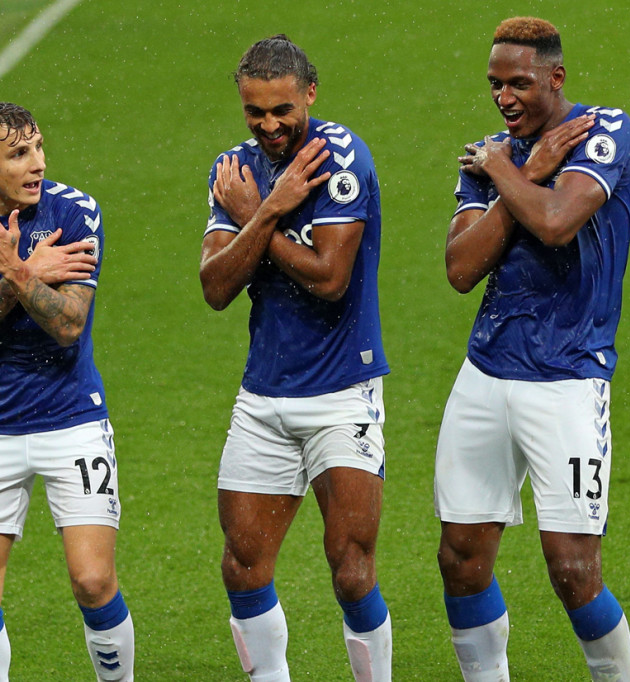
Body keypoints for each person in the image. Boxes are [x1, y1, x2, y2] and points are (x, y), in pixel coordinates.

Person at [434, 16, 630, 681]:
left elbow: (555, 223)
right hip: (487, 372)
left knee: (574, 571)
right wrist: (512, 168)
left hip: (569, 378)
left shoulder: (606, 132)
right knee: (460, 557)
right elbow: (461, 268)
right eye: (495, 84)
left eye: (519, 83)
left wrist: (509, 172)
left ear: (556, 77)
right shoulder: (490, 153)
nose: (504, 98)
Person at [200, 34, 391, 682]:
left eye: (282, 109)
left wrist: (258, 215)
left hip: (343, 393)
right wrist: (265, 214)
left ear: (309, 93)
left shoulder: (341, 159)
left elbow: (330, 276)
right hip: (265, 397)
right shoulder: (234, 169)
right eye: (256, 112)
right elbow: (216, 287)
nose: (270, 125)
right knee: (242, 565)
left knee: (351, 569)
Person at [0, 101, 134, 681]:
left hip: (72, 419)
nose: (37, 163)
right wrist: (27, 272)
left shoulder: (74, 212)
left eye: (39, 146)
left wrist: (12, 268)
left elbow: (68, 325)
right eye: (18, 154)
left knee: (93, 580)